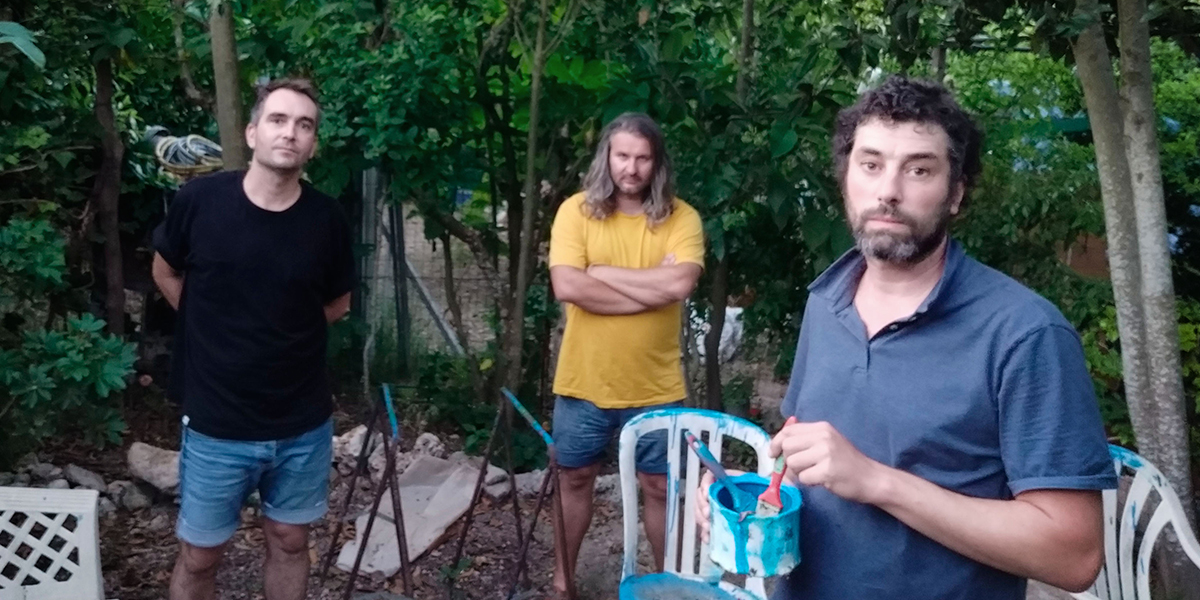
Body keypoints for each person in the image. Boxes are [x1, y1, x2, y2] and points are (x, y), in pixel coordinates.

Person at [696, 76, 1116, 599]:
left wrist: (878, 482)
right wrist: (752, 496)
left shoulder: (1024, 334)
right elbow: (812, 468)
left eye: (919, 169)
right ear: (846, 179)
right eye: (871, 165)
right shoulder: (826, 300)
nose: (888, 191)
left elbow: (1073, 555)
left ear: (956, 193)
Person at [152, 78, 354, 600]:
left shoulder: (327, 219)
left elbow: (339, 303)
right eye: (278, 120)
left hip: (301, 423)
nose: (290, 133)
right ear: (252, 133)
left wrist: (281, 330)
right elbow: (165, 270)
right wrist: (211, 324)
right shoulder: (199, 201)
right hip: (217, 422)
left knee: (290, 540)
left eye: (304, 125)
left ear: (313, 144)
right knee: (200, 555)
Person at [548, 112, 704, 596]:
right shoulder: (575, 212)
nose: (631, 168)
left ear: (657, 163)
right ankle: (563, 583)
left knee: (659, 487)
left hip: (656, 386)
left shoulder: (682, 217)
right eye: (622, 156)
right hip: (584, 381)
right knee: (574, 480)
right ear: (607, 157)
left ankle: (666, 587)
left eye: (642, 158)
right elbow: (567, 285)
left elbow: (679, 284)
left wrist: (601, 273)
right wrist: (651, 290)